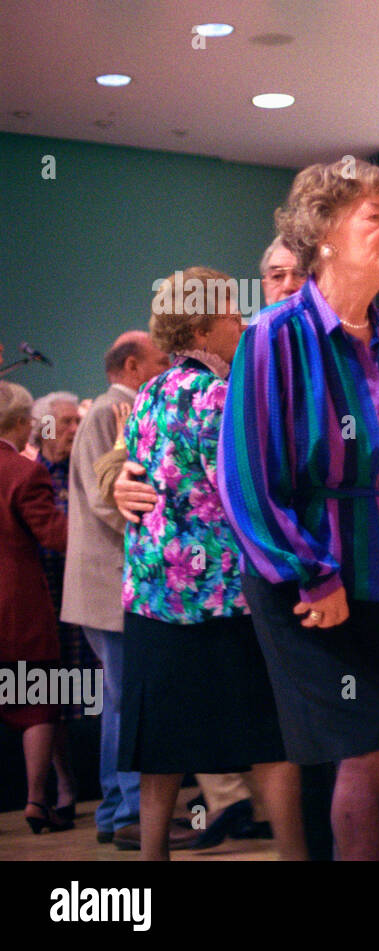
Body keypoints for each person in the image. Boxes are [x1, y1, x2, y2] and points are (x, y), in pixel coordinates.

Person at [218, 158, 379, 860]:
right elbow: (246, 479)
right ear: (324, 234)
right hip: (310, 583)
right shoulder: (274, 336)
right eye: (375, 217)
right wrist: (309, 575)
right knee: (358, 750)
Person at [114, 267, 305, 861]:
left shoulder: (148, 394)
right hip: (222, 596)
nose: (241, 323)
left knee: (159, 746)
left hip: (151, 595)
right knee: (268, 737)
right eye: (230, 314)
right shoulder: (218, 396)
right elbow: (244, 490)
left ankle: (149, 864)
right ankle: (297, 856)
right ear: (199, 324)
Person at [63, 331, 177, 850]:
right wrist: (166, 525)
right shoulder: (109, 413)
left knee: (119, 701)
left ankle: (117, 810)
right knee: (128, 700)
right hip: (110, 583)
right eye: (160, 360)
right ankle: (128, 809)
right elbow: (110, 500)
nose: (169, 365)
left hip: (104, 585)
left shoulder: (115, 410)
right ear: (132, 366)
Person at [0, 381, 72, 834]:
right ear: (25, 423)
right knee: (37, 702)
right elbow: (54, 536)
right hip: (17, 603)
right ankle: (35, 799)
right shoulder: (24, 473)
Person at [28, 390, 92, 821]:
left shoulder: (83, 469)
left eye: (76, 421)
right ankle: (64, 787)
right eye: (64, 423)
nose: (73, 429)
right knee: (53, 692)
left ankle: (110, 795)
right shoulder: (33, 473)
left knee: (96, 691)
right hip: (46, 589)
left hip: (84, 586)